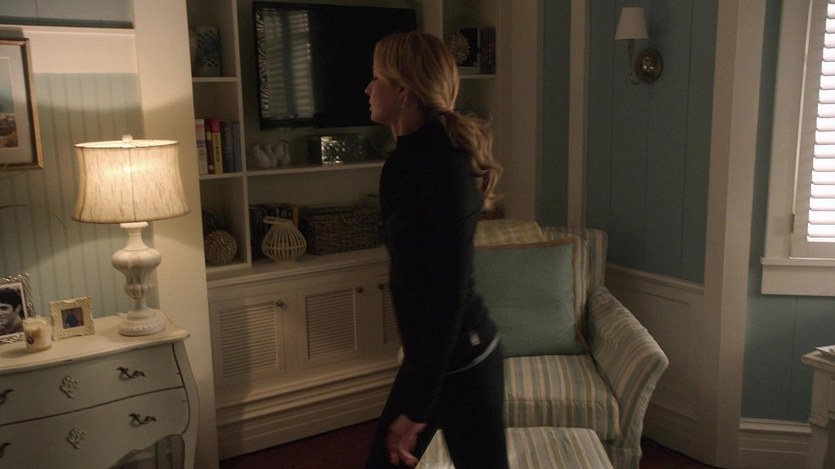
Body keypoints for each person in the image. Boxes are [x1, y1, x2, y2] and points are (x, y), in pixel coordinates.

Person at [364, 31, 508, 468]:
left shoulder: (445, 167)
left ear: (402, 90)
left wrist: (418, 407)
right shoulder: (404, 161)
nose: (368, 89)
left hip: (465, 360)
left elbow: (449, 292)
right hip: (430, 356)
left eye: (377, 78)